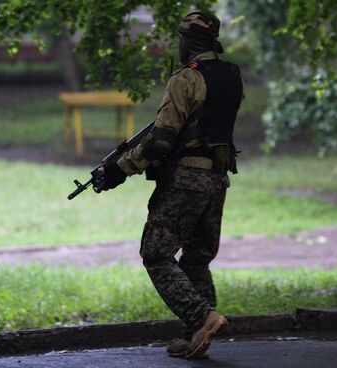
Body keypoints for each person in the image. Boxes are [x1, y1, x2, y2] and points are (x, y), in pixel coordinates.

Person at [100, 11, 244, 359]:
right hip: (217, 179)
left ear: (187, 41)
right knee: (196, 259)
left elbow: (160, 142)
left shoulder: (186, 78)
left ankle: (202, 318)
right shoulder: (232, 76)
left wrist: (119, 169)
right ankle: (196, 335)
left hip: (187, 180)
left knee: (156, 253)